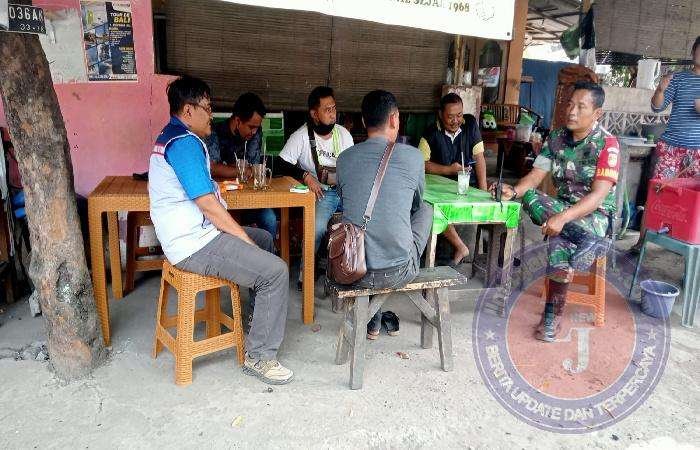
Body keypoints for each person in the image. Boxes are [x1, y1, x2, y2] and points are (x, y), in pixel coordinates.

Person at [148, 76, 293, 385]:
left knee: (265, 238)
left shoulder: (173, 136)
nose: (211, 115)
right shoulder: (183, 143)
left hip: (193, 236)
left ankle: (257, 320)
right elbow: (209, 206)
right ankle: (260, 357)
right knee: (276, 272)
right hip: (194, 245)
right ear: (188, 110)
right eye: (207, 107)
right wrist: (241, 237)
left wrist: (244, 237)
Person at [491, 82, 620, 342]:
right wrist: (513, 191)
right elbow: (536, 175)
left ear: (597, 113)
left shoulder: (607, 144)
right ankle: (583, 242)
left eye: (581, 107)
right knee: (530, 198)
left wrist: (562, 218)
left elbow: (597, 197)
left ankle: (551, 316)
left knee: (557, 235)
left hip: (595, 216)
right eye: (570, 104)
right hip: (562, 211)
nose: (571, 111)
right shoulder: (556, 137)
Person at [337, 90, 433, 339]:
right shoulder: (413, 157)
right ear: (394, 119)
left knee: (363, 222)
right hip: (398, 271)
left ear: (363, 121)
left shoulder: (344, 159)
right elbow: (416, 205)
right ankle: (376, 318)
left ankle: (374, 322)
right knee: (426, 209)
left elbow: (346, 201)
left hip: (352, 267)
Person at [277, 86, 354, 290]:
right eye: (327, 109)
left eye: (334, 108)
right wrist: (305, 176)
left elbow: (355, 165)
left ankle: (352, 272)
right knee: (316, 229)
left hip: (346, 191)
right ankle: (306, 274)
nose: (333, 113)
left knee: (360, 225)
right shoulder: (301, 136)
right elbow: (281, 164)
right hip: (322, 194)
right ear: (314, 114)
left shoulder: (343, 134)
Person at [632, 36, 700, 252]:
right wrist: (660, 90)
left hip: (698, 154)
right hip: (671, 148)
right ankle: (641, 242)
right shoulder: (678, 79)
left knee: (694, 202)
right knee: (658, 193)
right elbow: (657, 107)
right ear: (693, 52)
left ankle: (686, 245)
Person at [418, 93, 487, 265]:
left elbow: (479, 157)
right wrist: (448, 169)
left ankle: (463, 249)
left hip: (466, 187)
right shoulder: (430, 133)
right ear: (440, 115)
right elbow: (421, 164)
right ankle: (458, 248)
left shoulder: (470, 124)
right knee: (433, 208)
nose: (456, 121)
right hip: (440, 189)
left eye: (459, 115)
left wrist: (484, 192)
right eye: (450, 117)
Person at [204, 92, 278, 240]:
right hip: (221, 202)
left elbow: (253, 167)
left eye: (257, 127)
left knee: (269, 218)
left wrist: (228, 168)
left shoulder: (255, 133)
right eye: (251, 127)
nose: (254, 132)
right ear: (238, 121)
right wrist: (243, 170)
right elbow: (212, 168)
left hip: (248, 199)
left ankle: (269, 254)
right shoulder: (214, 132)